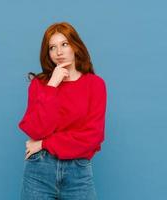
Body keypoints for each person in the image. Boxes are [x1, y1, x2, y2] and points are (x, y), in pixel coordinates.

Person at [18, 22, 107, 200]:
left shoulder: (95, 85)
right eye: (52, 47)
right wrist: (52, 85)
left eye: (64, 44)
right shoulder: (40, 84)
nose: (59, 52)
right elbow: (36, 130)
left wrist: (44, 144)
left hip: (78, 172)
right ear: (48, 53)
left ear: (75, 46)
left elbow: (92, 136)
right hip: (39, 171)